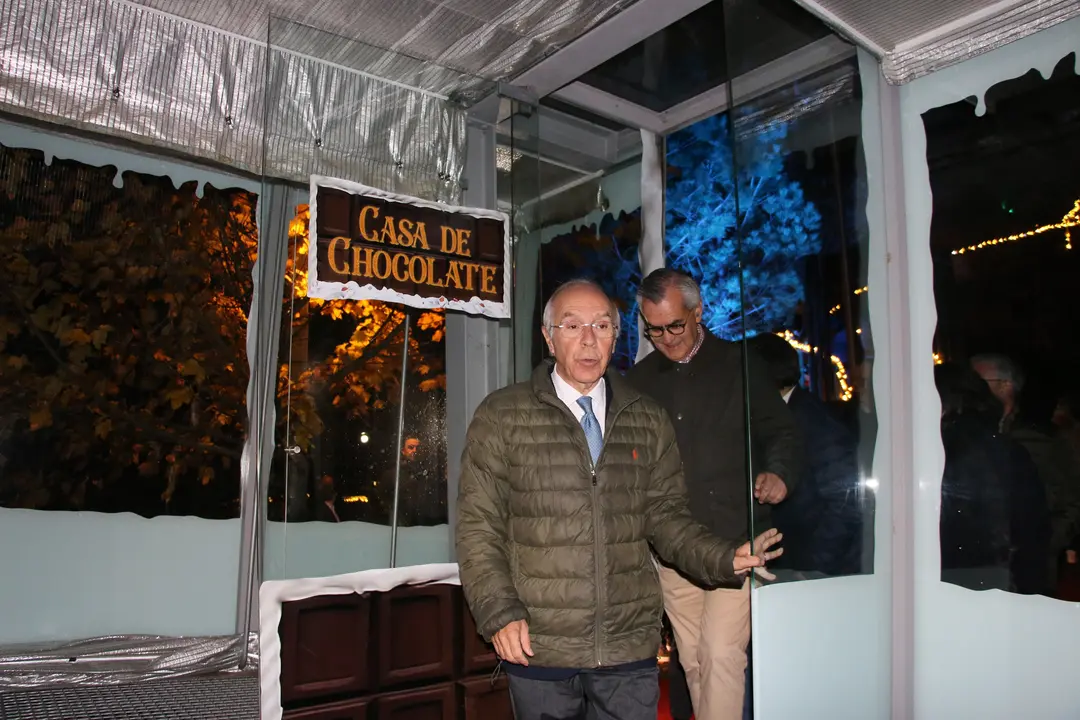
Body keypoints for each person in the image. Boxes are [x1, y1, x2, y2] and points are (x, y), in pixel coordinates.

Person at [456, 279, 783, 720]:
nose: (589, 339)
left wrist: (724, 557)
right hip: (540, 645)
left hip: (628, 646)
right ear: (549, 337)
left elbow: (667, 519)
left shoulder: (646, 417)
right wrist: (498, 611)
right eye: (572, 326)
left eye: (602, 325)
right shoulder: (501, 416)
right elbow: (479, 527)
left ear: (617, 335)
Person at [625, 269, 799, 720]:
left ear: (698, 313)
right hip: (673, 549)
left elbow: (782, 431)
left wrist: (778, 473)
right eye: (653, 329)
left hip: (735, 540)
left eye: (674, 326)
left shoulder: (740, 365)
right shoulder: (639, 383)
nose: (664, 338)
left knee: (721, 655)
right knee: (695, 661)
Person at [748, 332, 862, 578]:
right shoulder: (783, 414)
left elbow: (846, 503)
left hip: (816, 574)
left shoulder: (815, 423)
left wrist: (811, 568)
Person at [972, 354, 1080, 594]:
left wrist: (1044, 546)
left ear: (1005, 386)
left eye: (978, 380)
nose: (970, 387)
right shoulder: (973, 436)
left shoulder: (1039, 439)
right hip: (985, 573)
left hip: (1028, 577)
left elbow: (1071, 501)